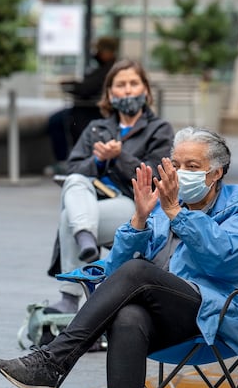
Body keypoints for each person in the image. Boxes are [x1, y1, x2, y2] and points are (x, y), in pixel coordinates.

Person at [0, 127, 238, 388]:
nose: (181, 171)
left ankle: (53, 361)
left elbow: (226, 259)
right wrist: (139, 219)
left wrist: (176, 214)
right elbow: (114, 273)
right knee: (127, 316)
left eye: (193, 165)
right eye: (177, 163)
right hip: (165, 321)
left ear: (215, 173)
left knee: (139, 272)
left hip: (215, 317)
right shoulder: (166, 206)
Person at [45, 59, 174, 315]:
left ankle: (70, 298)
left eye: (133, 84)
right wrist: (97, 160)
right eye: (120, 85)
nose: (127, 90)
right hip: (92, 202)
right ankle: (86, 237)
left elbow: (154, 177)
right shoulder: (97, 128)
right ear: (110, 94)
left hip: (135, 207)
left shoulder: (159, 130)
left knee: (67, 217)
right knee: (74, 182)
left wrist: (118, 155)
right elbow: (71, 169)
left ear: (146, 91)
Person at [47, 36, 119, 170]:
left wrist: (72, 85)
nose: (96, 54)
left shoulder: (109, 70)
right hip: (86, 111)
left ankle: (63, 161)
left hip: (88, 112)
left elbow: (87, 88)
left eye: (99, 50)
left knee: (56, 122)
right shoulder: (106, 68)